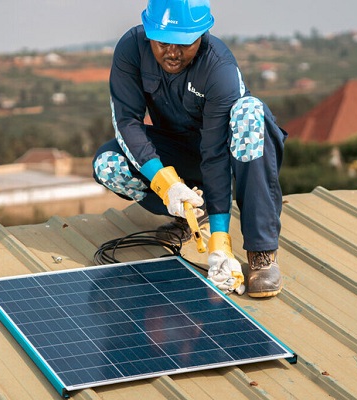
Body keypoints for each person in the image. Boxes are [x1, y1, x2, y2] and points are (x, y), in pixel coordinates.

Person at [92, 0, 287, 298]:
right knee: (108, 164)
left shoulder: (219, 67)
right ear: (148, 32)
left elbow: (216, 154)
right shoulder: (131, 49)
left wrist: (220, 244)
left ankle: (262, 252)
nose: (172, 52)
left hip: (230, 155)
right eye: (163, 42)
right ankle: (192, 215)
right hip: (178, 154)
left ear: (202, 35)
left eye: (184, 43)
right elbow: (126, 122)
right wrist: (166, 184)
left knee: (251, 112)